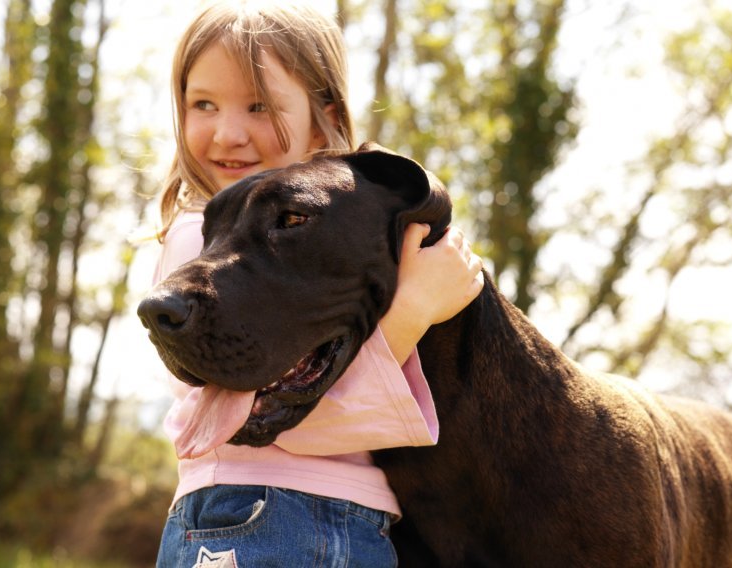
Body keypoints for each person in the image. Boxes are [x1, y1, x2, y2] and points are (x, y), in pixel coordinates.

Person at [150, 2, 484, 566]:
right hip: (256, 516)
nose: (228, 133)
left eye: (258, 106)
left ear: (324, 114)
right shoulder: (203, 241)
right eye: (202, 104)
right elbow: (277, 430)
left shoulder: (336, 246)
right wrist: (412, 311)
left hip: (342, 525)